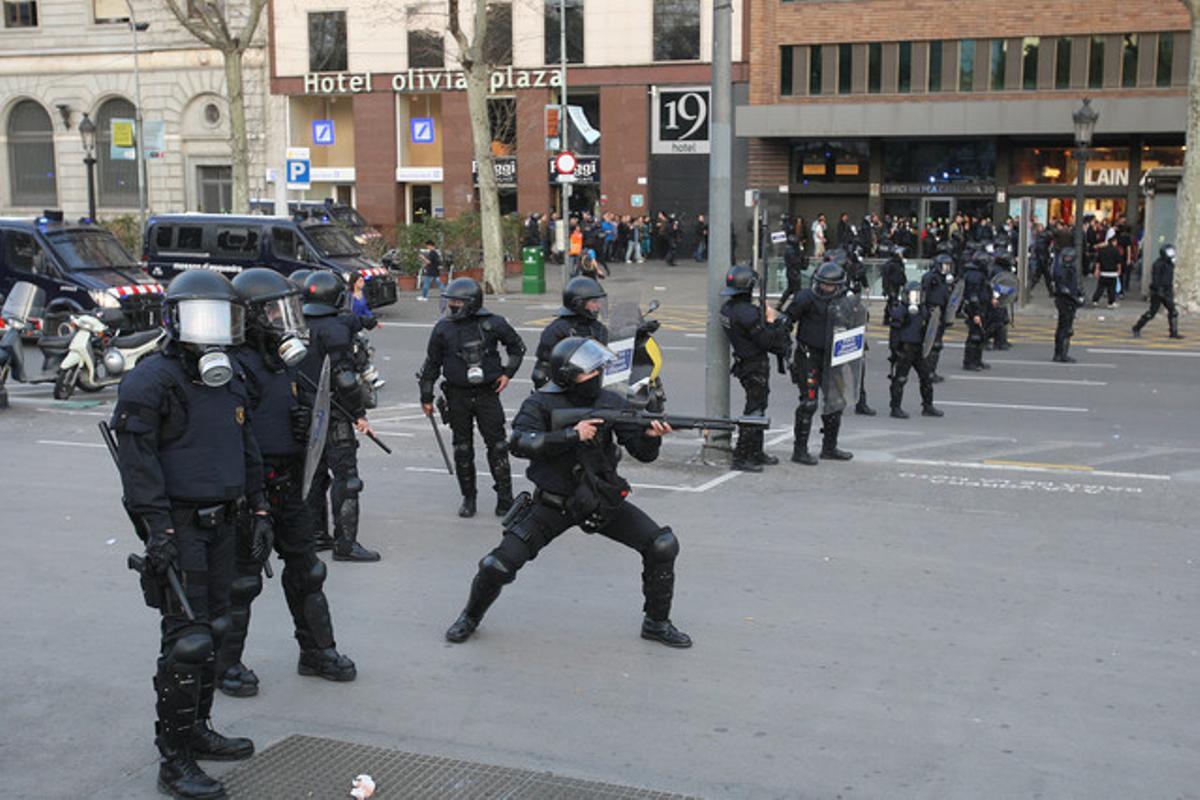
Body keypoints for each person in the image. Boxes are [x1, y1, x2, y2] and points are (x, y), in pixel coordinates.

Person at [109, 269, 260, 799]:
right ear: (174, 319)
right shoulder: (150, 380)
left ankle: (196, 730)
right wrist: (158, 531)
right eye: (203, 318)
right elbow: (138, 466)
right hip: (180, 525)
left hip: (225, 520)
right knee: (187, 641)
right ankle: (173, 760)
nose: (213, 330)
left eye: (223, 318)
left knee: (215, 629)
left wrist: (258, 511)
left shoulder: (231, 375)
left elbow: (245, 447)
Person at [443, 337, 691, 649]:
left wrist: (653, 436)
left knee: (662, 545)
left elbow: (642, 452)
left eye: (599, 370)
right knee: (497, 565)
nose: (597, 375)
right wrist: (571, 435)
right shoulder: (540, 404)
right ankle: (470, 617)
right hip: (553, 504)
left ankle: (656, 623)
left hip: (599, 499)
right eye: (589, 372)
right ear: (565, 376)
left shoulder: (610, 402)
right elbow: (519, 443)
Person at [220, 268, 356, 699]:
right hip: (249, 490)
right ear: (252, 316)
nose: (286, 319)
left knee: (307, 569)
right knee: (241, 581)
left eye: (288, 309)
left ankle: (317, 650)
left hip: (289, 481)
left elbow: (299, 407)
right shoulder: (232, 365)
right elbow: (230, 434)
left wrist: (301, 425)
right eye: (276, 311)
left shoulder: (282, 359)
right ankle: (225, 665)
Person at [418, 278, 526, 518]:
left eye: (457, 301)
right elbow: (432, 364)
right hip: (457, 396)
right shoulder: (443, 328)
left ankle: (505, 499)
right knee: (462, 448)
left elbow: (517, 348)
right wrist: (426, 396)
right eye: (451, 301)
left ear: (471, 302)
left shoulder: (494, 323)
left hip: (488, 394)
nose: (453, 305)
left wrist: (508, 374)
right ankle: (469, 497)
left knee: (498, 446)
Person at [300, 271, 381, 561]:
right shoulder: (335, 329)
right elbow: (344, 379)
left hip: (302, 412)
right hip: (334, 412)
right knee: (346, 478)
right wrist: (359, 413)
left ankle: (317, 535)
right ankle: (345, 544)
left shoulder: (297, 325)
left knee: (314, 476)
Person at [781, 261, 857, 466]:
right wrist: (784, 346)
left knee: (836, 402)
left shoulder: (846, 301)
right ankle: (800, 450)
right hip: (808, 356)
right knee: (809, 403)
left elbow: (855, 325)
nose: (826, 289)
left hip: (833, 357)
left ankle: (829, 447)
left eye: (830, 286)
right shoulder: (806, 298)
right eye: (823, 284)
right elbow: (787, 320)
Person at [720, 265, 791, 472]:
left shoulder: (727, 308)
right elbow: (768, 341)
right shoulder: (748, 314)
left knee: (759, 407)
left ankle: (756, 451)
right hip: (753, 365)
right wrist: (772, 321)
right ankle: (742, 456)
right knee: (754, 410)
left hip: (744, 362)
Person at [532, 276, 609, 389]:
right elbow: (541, 372)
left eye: (599, 301)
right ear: (577, 303)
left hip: (593, 390)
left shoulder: (599, 329)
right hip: (565, 391)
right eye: (594, 302)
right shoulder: (557, 330)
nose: (598, 306)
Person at [888, 281, 944, 419]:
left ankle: (928, 406)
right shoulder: (900, 310)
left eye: (917, 295)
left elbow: (929, 328)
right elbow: (894, 333)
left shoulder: (923, 309)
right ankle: (895, 408)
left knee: (926, 377)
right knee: (900, 379)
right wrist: (895, 350)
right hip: (905, 348)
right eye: (912, 295)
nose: (915, 298)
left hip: (919, 348)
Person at [1133, 244, 1184, 339]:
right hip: (1158, 291)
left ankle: (1173, 332)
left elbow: (1169, 278)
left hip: (1167, 290)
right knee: (1152, 313)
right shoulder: (1157, 264)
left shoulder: (1170, 264)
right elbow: (1156, 279)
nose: (1171, 254)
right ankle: (1137, 328)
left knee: (1173, 312)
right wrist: (1158, 290)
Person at [921, 254, 955, 383]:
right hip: (932, 312)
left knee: (937, 344)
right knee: (932, 344)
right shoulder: (930, 278)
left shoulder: (945, 280)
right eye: (945, 265)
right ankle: (928, 373)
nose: (947, 268)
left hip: (940, 313)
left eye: (948, 266)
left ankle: (931, 371)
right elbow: (923, 295)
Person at [960, 250, 992, 371]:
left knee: (980, 335)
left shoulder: (979, 274)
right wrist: (976, 313)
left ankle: (977, 360)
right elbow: (973, 296)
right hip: (975, 309)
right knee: (974, 336)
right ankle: (969, 362)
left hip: (982, 307)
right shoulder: (974, 276)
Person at [1052, 247, 1083, 363]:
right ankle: (1061, 354)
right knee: (1065, 329)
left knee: (1064, 328)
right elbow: (1062, 287)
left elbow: (1074, 285)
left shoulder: (1071, 269)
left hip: (1068, 300)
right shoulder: (1061, 270)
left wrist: (1079, 294)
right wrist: (1075, 298)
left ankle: (1060, 353)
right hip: (1065, 301)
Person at [1091, 229, 1122, 307]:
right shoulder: (1116, 250)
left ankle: (1095, 300)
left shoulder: (1102, 250)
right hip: (1112, 273)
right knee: (1111, 289)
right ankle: (1111, 302)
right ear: (1114, 241)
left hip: (1103, 272)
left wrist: (1097, 270)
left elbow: (1098, 261)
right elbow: (1118, 262)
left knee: (1100, 288)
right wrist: (1119, 270)